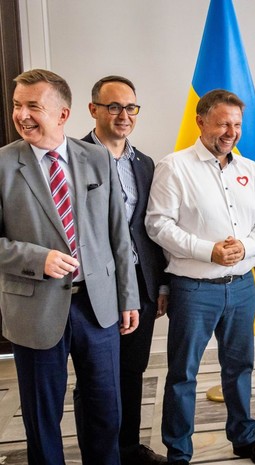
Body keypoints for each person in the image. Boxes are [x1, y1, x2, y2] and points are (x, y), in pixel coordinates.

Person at [0, 68, 139, 465]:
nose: (21, 115)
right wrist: (36, 259)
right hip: (34, 309)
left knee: (105, 409)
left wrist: (128, 296)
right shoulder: (3, 164)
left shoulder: (97, 157)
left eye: (33, 106)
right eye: (17, 105)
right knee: (42, 417)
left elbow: (119, 235)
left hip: (98, 307)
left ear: (62, 114)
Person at [146, 89, 255, 465]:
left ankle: (244, 438)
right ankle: (179, 451)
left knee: (239, 368)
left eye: (236, 124)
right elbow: (158, 225)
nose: (230, 132)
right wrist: (209, 251)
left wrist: (246, 246)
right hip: (194, 289)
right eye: (222, 123)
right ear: (200, 121)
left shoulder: (250, 170)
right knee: (183, 373)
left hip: (241, 287)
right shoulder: (174, 167)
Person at [82, 75, 169, 465]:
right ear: (93, 109)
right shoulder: (74, 157)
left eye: (130, 107)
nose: (123, 115)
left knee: (133, 370)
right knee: (96, 377)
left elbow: (151, 228)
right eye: (113, 106)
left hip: (141, 281)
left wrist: (161, 284)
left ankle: (129, 449)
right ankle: (101, 455)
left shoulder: (144, 163)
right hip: (96, 284)